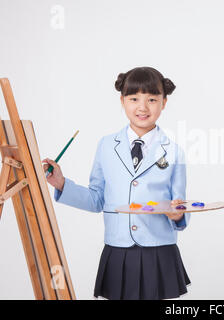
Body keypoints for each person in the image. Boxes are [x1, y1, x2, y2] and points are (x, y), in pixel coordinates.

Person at [43, 66, 190, 300]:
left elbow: (181, 205)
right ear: (122, 101)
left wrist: (178, 215)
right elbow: (96, 199)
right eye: (134, 99)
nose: (142, 107)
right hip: (118, 249)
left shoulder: (174, 151)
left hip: (158, 249)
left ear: (164, 103)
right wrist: (61, 183)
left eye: (152, 99)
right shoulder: (106, 145)